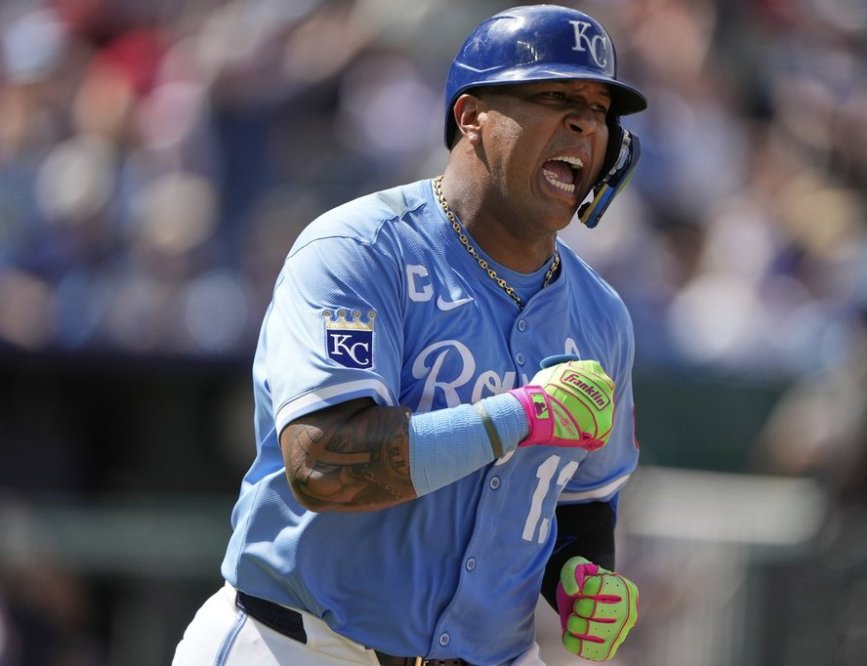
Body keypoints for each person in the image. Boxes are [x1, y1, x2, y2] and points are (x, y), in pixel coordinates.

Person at [173, 5, 646, 665]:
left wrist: (579, 580)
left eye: (599, 109)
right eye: (555, 96)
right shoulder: (360, 249)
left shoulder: (602, 316)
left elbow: (580, 502)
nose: (584, 123)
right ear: (471, 117)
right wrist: (520, 414)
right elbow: (323, 463)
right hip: (301, 642)